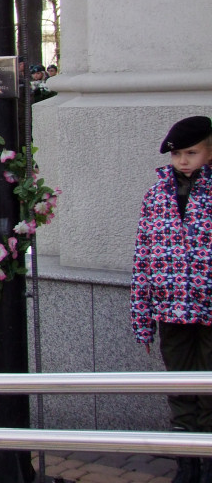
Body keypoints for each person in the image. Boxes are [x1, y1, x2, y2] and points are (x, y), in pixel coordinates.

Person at [131, 116, 212, 483]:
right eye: (177, 153)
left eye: (191, 153)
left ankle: (208, 456)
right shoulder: (156, 195)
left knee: (209, 384)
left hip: (209, 306)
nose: (182, 160)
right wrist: (142, 319)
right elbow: (144, 257)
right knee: (180, 383)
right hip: (172, 308)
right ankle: (187, 460)